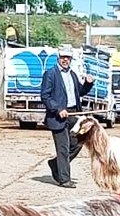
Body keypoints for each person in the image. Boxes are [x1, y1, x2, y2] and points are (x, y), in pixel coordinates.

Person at [40, 46, 95, 187]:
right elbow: (45, 96)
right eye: (63, 57)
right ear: (58, 57)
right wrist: (58, 109)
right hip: (57, 117)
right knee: (63, 147)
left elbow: (80, 92)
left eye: (68, 58)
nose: (65, 60)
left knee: (77, 143)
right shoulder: (50, 74)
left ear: (70, 59)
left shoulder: (73, 74)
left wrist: (88, 84)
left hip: (73, 115)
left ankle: (55, 163)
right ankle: (64, 179)